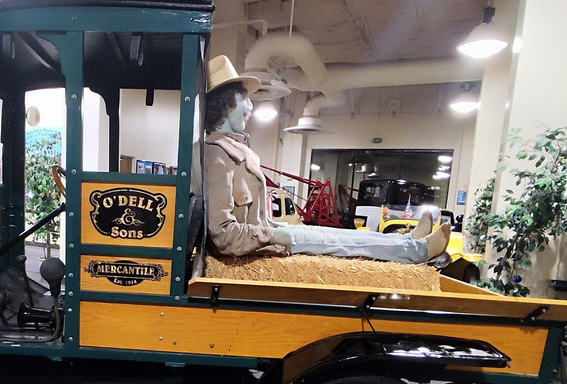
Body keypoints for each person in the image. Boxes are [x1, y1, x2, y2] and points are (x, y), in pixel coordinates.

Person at [192, 55, 450, 264]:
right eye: (244, 99)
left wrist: (271, 230)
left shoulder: (233, 150)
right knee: (334, 243)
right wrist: (272, 234)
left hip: (264, 232)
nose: (250, 108)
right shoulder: (217, 155)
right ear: (226, 105)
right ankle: (418, 251)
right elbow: (223, 233)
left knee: (331, 233)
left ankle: (407, 243)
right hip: (259, 240)